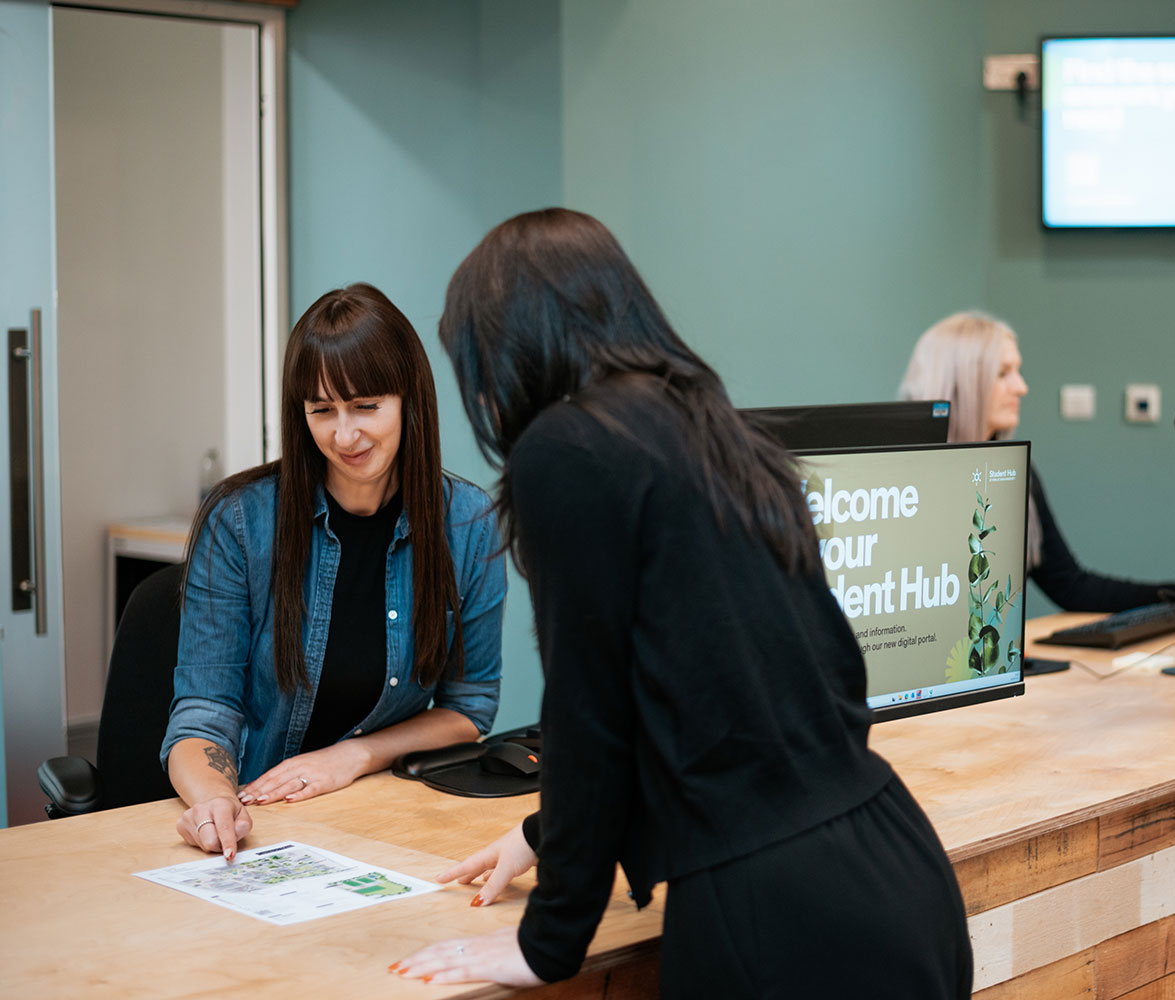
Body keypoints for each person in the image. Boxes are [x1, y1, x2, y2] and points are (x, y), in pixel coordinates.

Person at [391, 209, 972, 997]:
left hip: (778, 917)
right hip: (895, 865)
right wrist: (544, 836)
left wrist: (548, 938)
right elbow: (743, 693)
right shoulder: (717, 428)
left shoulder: (566, 448)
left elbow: (589, 713)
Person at [162, 283, 507, 860]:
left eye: (366, 406)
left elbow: (467, 710)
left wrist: (355, 755)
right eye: (322, 411)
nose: (344, 436)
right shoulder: (240, 521)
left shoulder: (467, 524)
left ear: (409, 399)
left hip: (384, 816)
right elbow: (204, 708)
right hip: (258, 820)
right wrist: (216, 799)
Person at [898, 310, 1175, 616]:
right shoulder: (907, 484)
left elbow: (1071, 586)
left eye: (1018, 371)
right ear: (961, 382)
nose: (1022, 387)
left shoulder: (1012, 477)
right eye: (1003, 374)